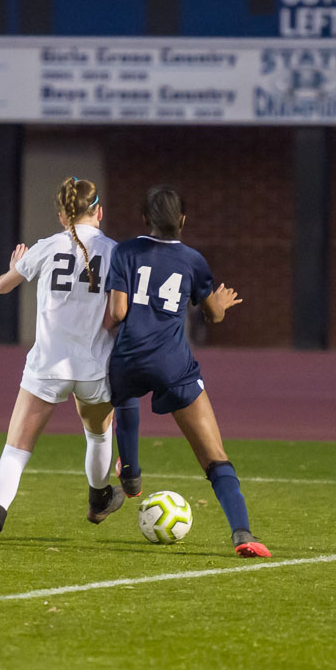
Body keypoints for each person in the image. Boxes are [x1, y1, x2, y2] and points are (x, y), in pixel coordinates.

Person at [0, 177, 127, 549]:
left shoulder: (47, 246)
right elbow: (119, 311)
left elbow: (1, 286)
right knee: (98, 436)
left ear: (63, 215)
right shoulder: (115, 251)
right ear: (99, 211)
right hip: (94, 366)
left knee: (15, 450)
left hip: (46, 366)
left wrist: (16, 264)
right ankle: (98, 499)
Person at [105, 185, 271, 558]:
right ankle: (243, 534)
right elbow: (212, 314)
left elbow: (117, 312)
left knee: (125, 399)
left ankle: (130, 477)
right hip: (173, 364)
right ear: (182, 220)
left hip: (128, 359)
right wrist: (222, 304)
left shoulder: (125, 251)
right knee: (214, 457)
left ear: (144, 219)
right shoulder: (193, 260)